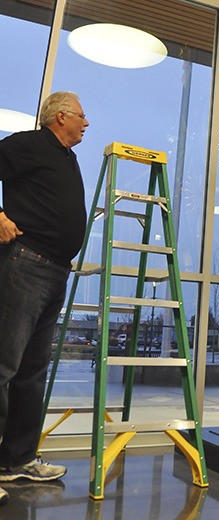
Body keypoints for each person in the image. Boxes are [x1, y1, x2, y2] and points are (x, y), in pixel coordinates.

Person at [0, 92, 88, 504]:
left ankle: (16, 462)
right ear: (61, 117)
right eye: (82, 116)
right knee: (4, 365)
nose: (86, 123)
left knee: (32, 372)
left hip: (54, 272)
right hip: (25, 265)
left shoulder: (67, 156)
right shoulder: (30, 144)